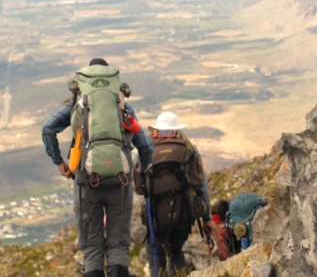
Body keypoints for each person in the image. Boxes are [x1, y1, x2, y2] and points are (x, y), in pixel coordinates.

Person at [42, 58, 153, 277]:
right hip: (120, 183)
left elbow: (48, 128)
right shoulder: (123, 106)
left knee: (92, 248)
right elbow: (146, 147)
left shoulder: (77, 105)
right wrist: (142, 169)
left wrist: (59, 162)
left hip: (86, 183)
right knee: (119, 245)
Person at [139, 111, 214, 277]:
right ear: (177, 129)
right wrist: (207, 217)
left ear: (157, 129)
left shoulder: (145, 149)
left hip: (156, 217)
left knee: (155, 253)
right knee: (176, 250)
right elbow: (201, 185)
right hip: (183, 214)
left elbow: (138, 187)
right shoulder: (190, 149)